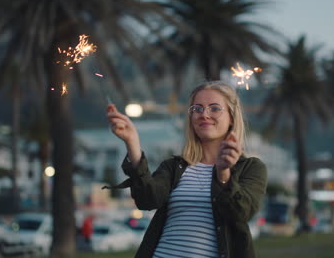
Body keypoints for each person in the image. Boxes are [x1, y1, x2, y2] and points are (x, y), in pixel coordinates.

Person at [106, 81, 267, 258]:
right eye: (197, 109)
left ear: (232, 118)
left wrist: (223, 173)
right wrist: (132, 143)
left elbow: (241, 213)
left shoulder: (251, 168)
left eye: (214, 108)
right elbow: (147, 200)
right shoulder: (174, 167)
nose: (204, 115)